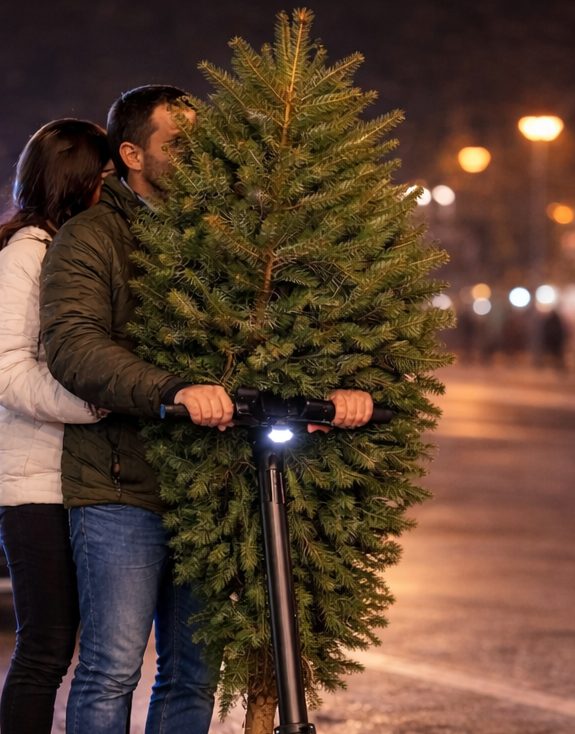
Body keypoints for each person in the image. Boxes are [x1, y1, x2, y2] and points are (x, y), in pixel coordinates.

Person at [39, 85, 374, 734]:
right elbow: (76, 347)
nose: (200, 155)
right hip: (119, 487)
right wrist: (173, 390)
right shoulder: (92, 238)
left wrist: (341, 386)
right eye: (179, 143)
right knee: (112, 667)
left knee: (193, 672)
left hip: (208, 490)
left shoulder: (223, 238)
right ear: (132, 153)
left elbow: (281, 323)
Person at [0, 119, 110, 734]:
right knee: (44, 647)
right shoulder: (26, 256)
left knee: (70, 647)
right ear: (82, 184)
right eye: (104, 179)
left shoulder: (66, 250)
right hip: (33, 483)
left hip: (72, 474)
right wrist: (96, 402)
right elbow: (9, 373)